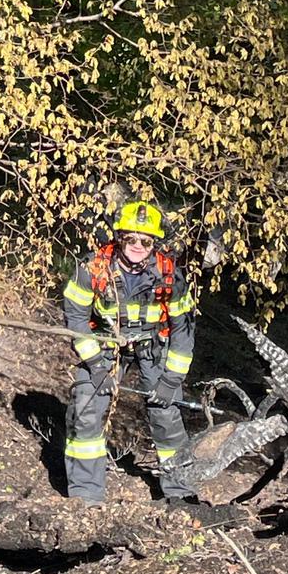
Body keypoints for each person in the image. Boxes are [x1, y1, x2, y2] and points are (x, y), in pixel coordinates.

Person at [61, 199, 196, 506]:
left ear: (155, 244)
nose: (137, 246)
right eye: (131, 238)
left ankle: (180, 495)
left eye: (146, 241)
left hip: (153, 348)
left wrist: (171, 380)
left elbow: (184, 329)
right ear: (119, 237)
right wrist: (96, 366)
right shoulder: (92, 269)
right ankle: (85, 497)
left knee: (166, 416)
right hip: (105, 347)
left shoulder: (170, 275)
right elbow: (76, 319)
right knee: (85, 409)